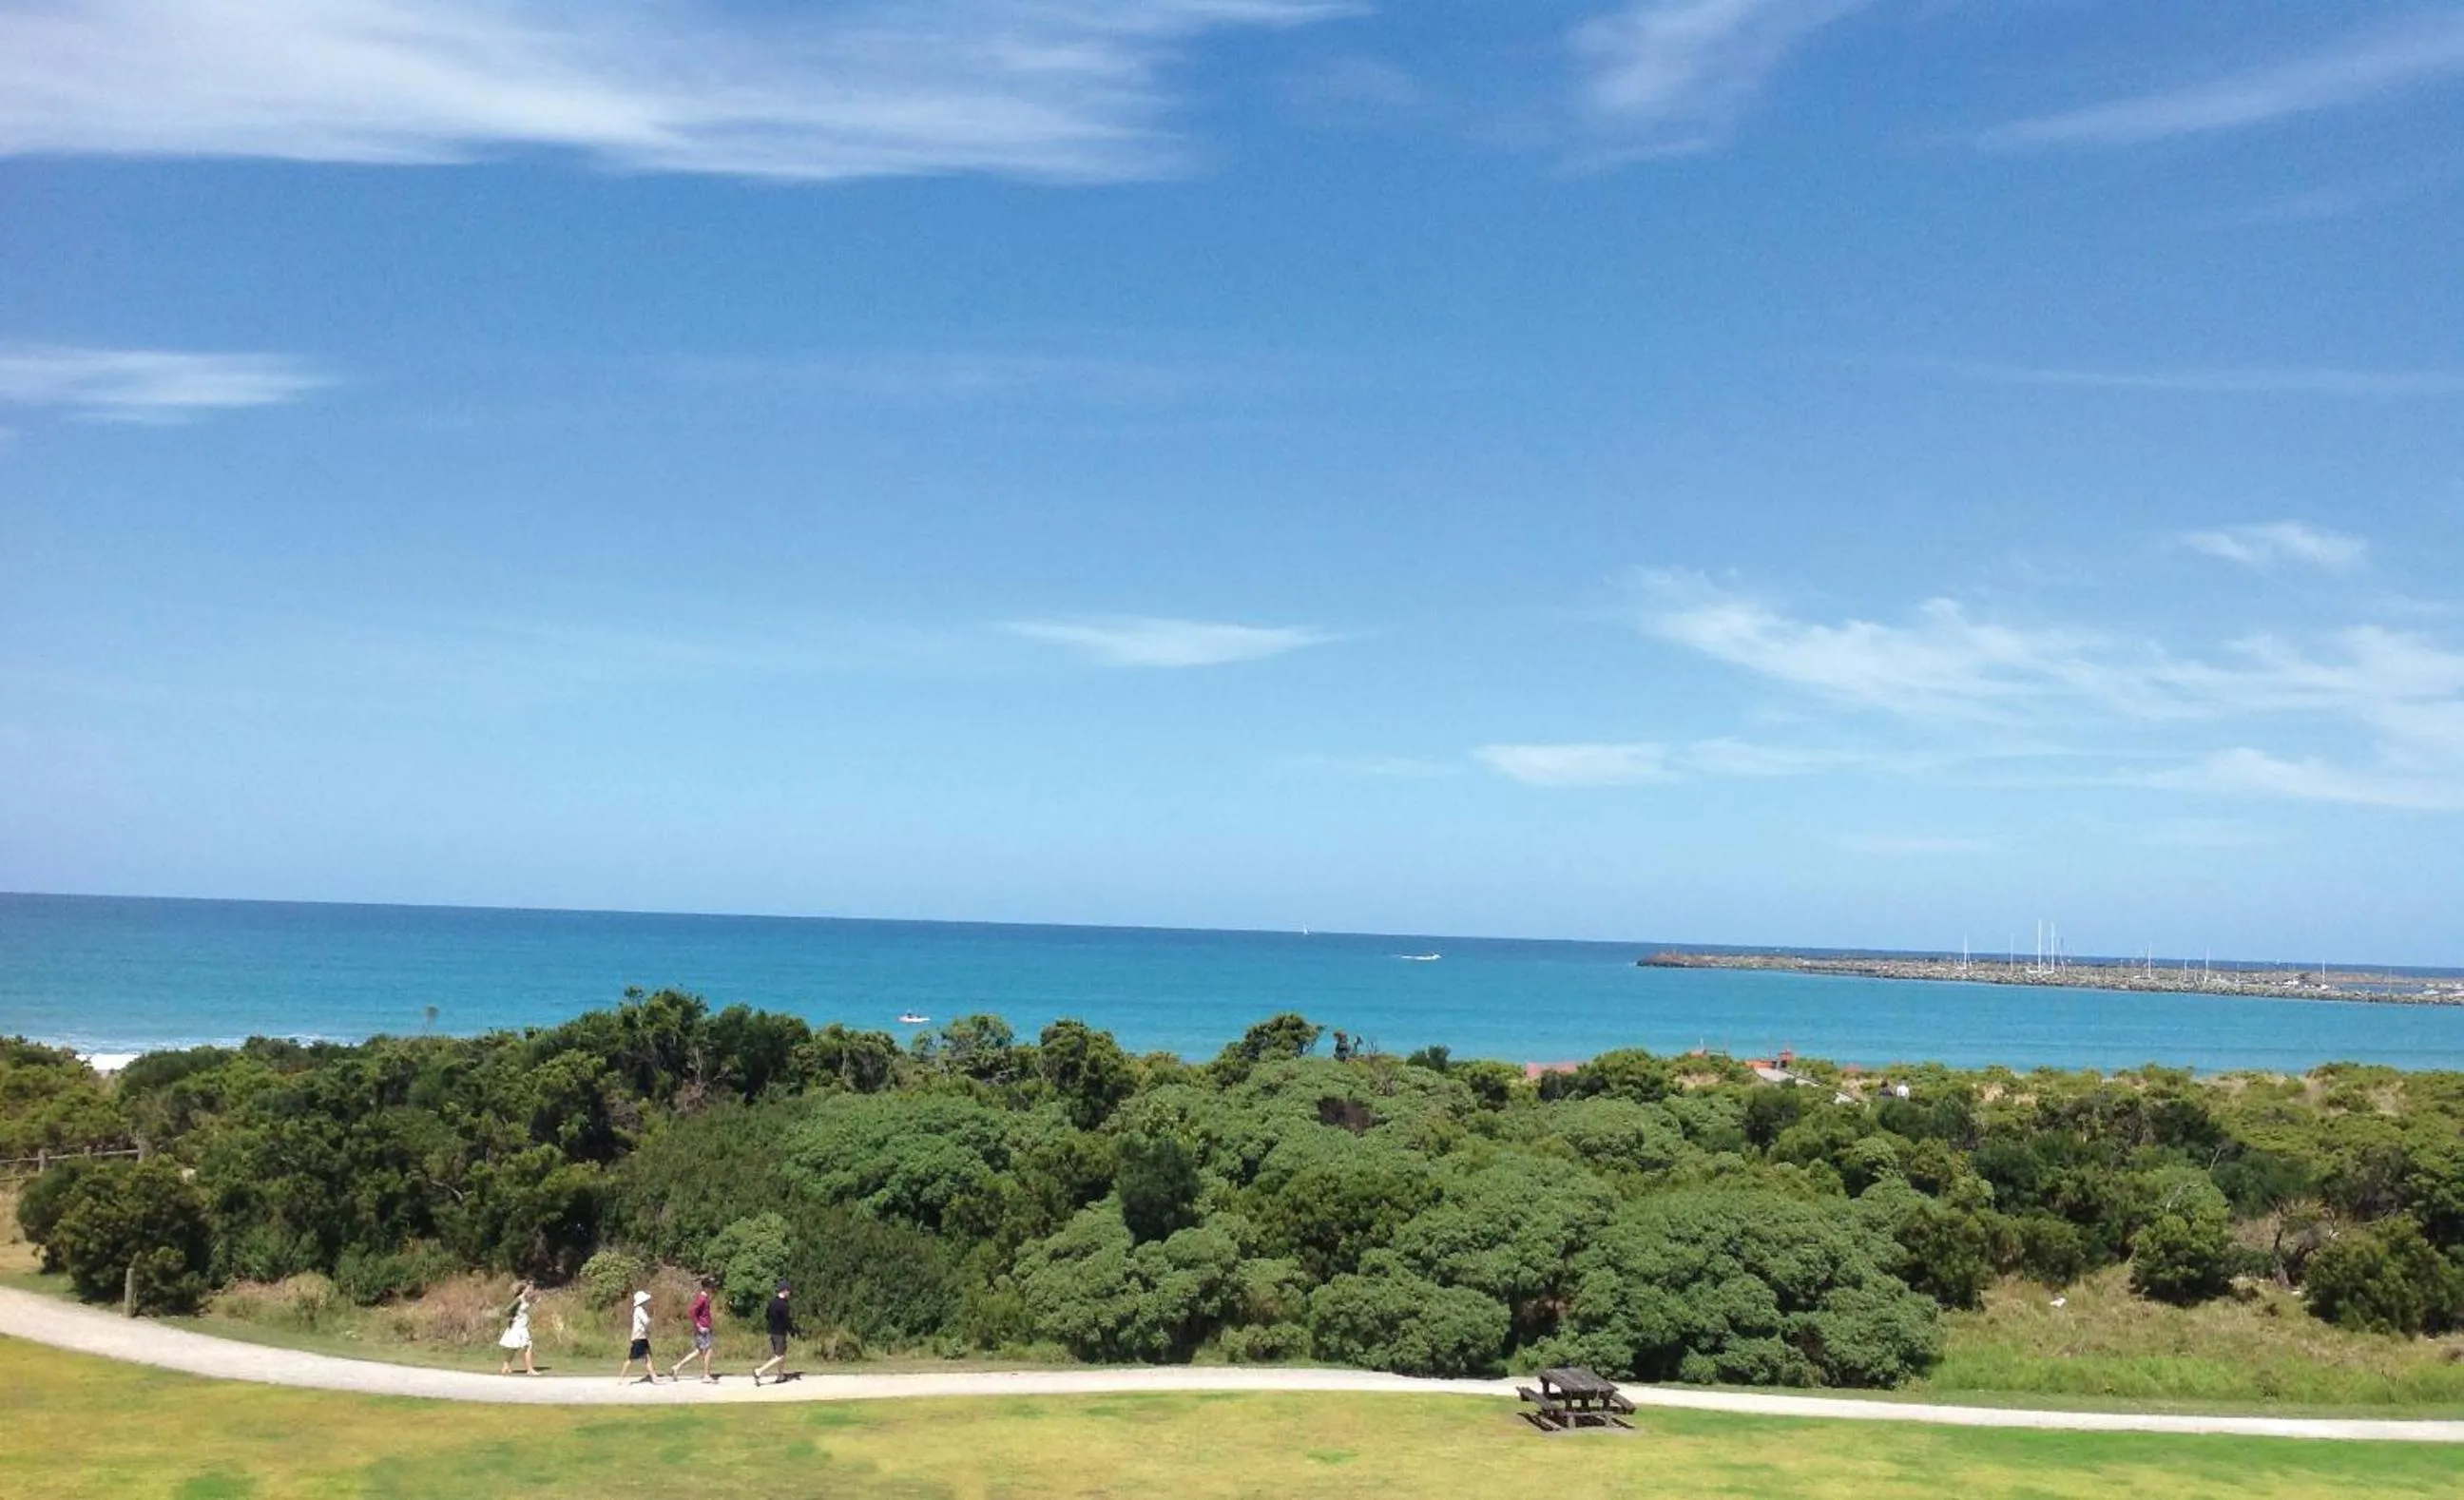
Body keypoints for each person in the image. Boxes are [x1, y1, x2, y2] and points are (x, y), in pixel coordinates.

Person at [670, 1278, 718, 1383]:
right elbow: (692, 1311)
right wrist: (699, 1325)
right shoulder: (701, 1298)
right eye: (711, 1286)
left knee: (699, 1351)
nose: (713, 1288)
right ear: (707, 1287)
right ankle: (706, 1375)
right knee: (708, 1350)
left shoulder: (705, 1298)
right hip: (703, 1329)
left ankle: (677, 1367)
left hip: (705, 1328)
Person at [749, 1281, 793, 1386]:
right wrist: (791, 1329)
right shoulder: (784, 1304)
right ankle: (759, 1371)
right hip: (780, 1333)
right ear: (785, 1290)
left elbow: (767, 1315)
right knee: (779, 1356)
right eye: (788, 1290)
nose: (789, 1292)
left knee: (782, 1354)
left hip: (772, 1331)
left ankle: (780, 1375)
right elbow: (786, 1320)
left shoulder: (772, 1302)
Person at [617, 1289, 660, 1384]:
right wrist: (651, 1319)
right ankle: (621, 1378)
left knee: (647, 1357)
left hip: (642, 1337)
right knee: (631, 1359)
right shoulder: (639, 1310)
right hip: (639, 1337)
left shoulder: (640, 1310)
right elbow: (646, 1321)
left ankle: (654, 1377)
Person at [496, 1282, 537, 1375]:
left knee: (513, 1348)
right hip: (518, 1326)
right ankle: (530, 1369)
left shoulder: (526, 1299)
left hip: (522, 1325)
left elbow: (531, 1301)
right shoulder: (519, 1299)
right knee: (528, 1345)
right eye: (528, 1289)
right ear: (523, 1290)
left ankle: (505, 1367)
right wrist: (513, 1317)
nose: (530, 1290)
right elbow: (507, 1311)